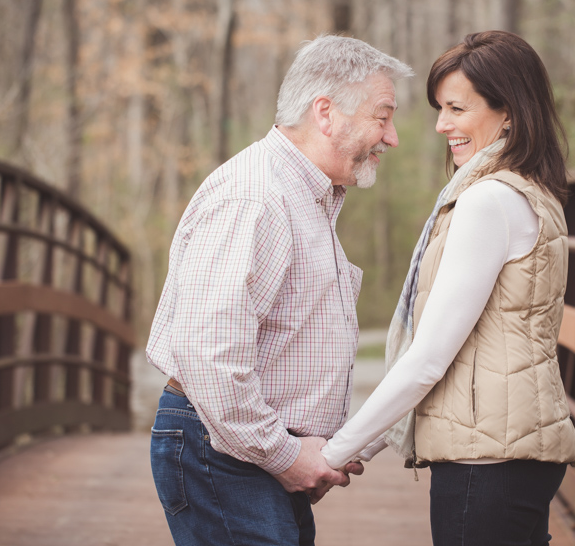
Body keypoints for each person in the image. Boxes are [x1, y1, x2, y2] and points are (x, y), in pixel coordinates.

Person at [146, 35, 413, 546]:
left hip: (248, 448)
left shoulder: (304, 196)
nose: (392, 137)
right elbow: (208, 354)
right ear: (325, 113)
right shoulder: (255, 197)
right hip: (222, 449)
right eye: (382, 117)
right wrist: (286, 455)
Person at [321, 30, 575, 546]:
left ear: (509, 113)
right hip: (515, 451)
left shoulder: (488, 201)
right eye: (441, 108)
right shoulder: (529, 191)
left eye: (457, 109)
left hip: (486, 463)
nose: (442, 125)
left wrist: (332, 454)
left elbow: (428, 359)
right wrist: (361, 447)